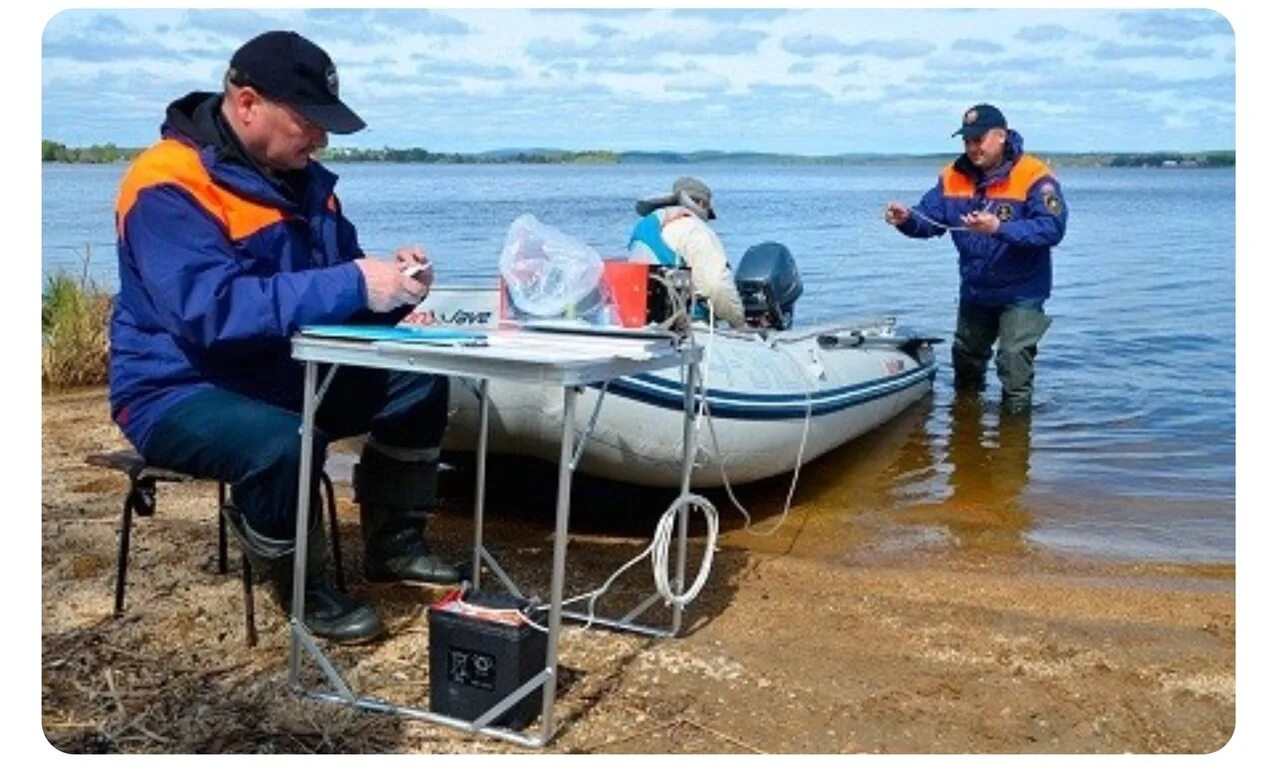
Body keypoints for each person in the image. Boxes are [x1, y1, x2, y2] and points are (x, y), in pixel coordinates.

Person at [108, 30, 461, 645]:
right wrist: (354, 283)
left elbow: (335, 303)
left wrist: (396, 292)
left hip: (284, 372)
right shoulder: (166, 182)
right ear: (247, 104)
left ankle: (395, 545)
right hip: (175, 388)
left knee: (419, 382)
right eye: (309, 121)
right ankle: (303, 587)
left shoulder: (310, 185)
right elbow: (211, 313)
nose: (322, 138)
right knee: (281, 444)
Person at [883, 104, 1067, 413]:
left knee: (1012, 361)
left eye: (978, 140)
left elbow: (1052, 228)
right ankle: (966, 437)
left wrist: (999, 228)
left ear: (1001, 136)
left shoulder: (1035, 175)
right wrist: (905, 219)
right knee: (966, 361)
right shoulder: (953, 176)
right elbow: (928, 219)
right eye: (967, 140)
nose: (972, 147)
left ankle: (1014, 442)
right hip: (976, 288)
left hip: (1022, 290)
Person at [628, 176, 746, 328]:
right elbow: (716, 286)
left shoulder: (651, 227)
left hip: (641, 320)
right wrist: (739, 322)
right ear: (702, 204)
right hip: (684, 323)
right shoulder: (694, 229)